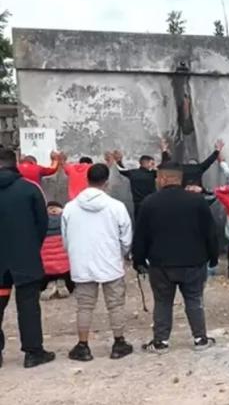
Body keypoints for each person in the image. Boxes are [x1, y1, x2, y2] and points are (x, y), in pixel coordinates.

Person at [133, 162, 219, 354]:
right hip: (194, 261)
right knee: (194, 300)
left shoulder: (149, 202)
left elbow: (141, 236)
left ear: (163, 178)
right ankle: (200, 338)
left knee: (163, 302)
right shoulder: (197, 201)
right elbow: (210, 233)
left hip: (161, 263)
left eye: (157, 178)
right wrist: (213, 257)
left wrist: (139, 260)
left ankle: (161, 342)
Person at [61, 164, 134, 361]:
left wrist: (75, 255)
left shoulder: (70, 208)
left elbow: (65, 239)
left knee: (84, 306)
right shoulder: (116, 207)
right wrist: (121, 253)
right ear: (107, 182)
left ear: (87, 180)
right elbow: (126, 237)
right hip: (110, 261)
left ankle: (83, 346)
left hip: (81, 263)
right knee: (115, 305)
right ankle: (119, 343)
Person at [0, 148, 55, 368]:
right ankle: (33, 353)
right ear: (15, 164)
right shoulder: (30, 189)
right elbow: (43, 223)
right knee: (28, 305)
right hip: (25, 259)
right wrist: (32, 247)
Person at [110, 146, 167, 218]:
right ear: (147, 163)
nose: (154, 165)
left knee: (139, 224)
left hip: (138, 205)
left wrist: (118, 160)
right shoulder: (152, 173)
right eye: (152, 163)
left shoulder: (133, 173)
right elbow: (164, 165)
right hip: (152, 204)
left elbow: (121, 170)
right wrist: (164, 150)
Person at [40, 201, 72, 301]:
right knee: (67, 274)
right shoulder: (65, 218)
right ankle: (62, 282)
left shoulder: (42, 220)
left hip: (46, 261)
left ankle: (50, 283)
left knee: (45, 275)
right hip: (63, 260)